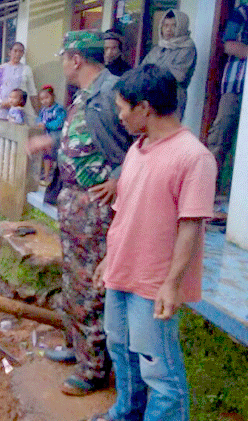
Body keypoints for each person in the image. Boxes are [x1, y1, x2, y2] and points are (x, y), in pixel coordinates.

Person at [85, 64, 216, 421]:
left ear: (144, 108)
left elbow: (190, 227)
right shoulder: (137, 150)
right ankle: (125, 413)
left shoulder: (194, 157)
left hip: (153, 283)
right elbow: (125, 212)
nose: (120, 115)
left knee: (160, 371)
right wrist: (109, 259)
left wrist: (172, 285)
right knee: (122, 351)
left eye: (123, 107)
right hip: (123, 272)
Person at [27, 31, 133, 396]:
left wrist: (120, 179)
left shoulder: (115, 92)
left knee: (91, 285)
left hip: (96, 206)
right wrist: (52, 142)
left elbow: (144, 140)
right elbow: (80, 137)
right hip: (73, 201)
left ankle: (94, 371)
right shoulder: (85, 96)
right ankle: (77, 347)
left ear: (76, 59)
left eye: (63, 58)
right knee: (73, 278)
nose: (62, 65)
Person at [207, 0, 248, 207]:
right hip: (235, 85)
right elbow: (229, 44)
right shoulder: (243, 12)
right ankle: (205, 193)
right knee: (220, 136)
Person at [141, 9, 197, 119]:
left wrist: (152, 71)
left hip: (172, 98)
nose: (168, 29)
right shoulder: (158, 48)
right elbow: (141, 70)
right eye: (165, 25)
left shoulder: (187, 48)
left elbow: (178, 75)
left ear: (181, 26)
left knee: (168, 131)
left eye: (173, 26)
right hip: (151, 97)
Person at [0, 42, 39, 118]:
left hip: (19, 111)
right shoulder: (1, 69)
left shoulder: (26, 69)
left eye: (21, 51)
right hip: (3, 110)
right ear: (10, 52)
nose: (18, 54)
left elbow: (32, 91)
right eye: (15, 51)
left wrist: (37, 112)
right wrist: (1, 103)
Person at [36, 85, 66, 184]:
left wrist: (46, 125)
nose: (44, 101)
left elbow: (59, 123)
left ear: (53, 96)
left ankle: (55, 178)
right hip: (46, 137)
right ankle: (46, 176)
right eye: (42, 99)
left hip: (56, 137)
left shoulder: (58, 109)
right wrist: (39, 124)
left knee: (56, 157)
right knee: (46, 156)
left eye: (47, 98)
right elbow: (39, 120)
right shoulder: (43, 110)